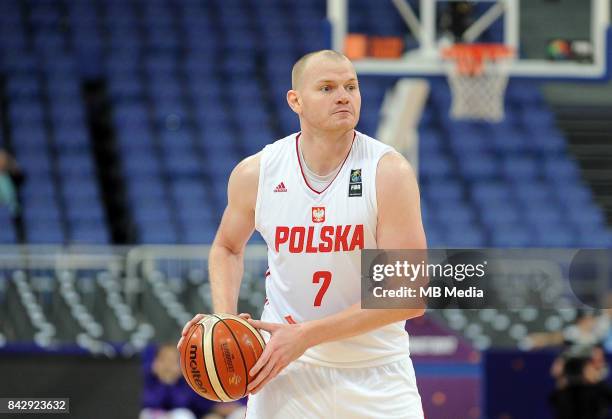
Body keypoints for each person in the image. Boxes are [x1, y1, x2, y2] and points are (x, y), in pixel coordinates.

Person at [178, 50, 427, 418]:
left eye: (351, 86)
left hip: (375, 373)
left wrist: (306, 335)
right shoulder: (257, 173)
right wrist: (223, 320)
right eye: (327, 87)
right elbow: (227, 247)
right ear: (295, 100)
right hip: (285, 372)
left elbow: (408, 295)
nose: (343, 96)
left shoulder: (388, 172)